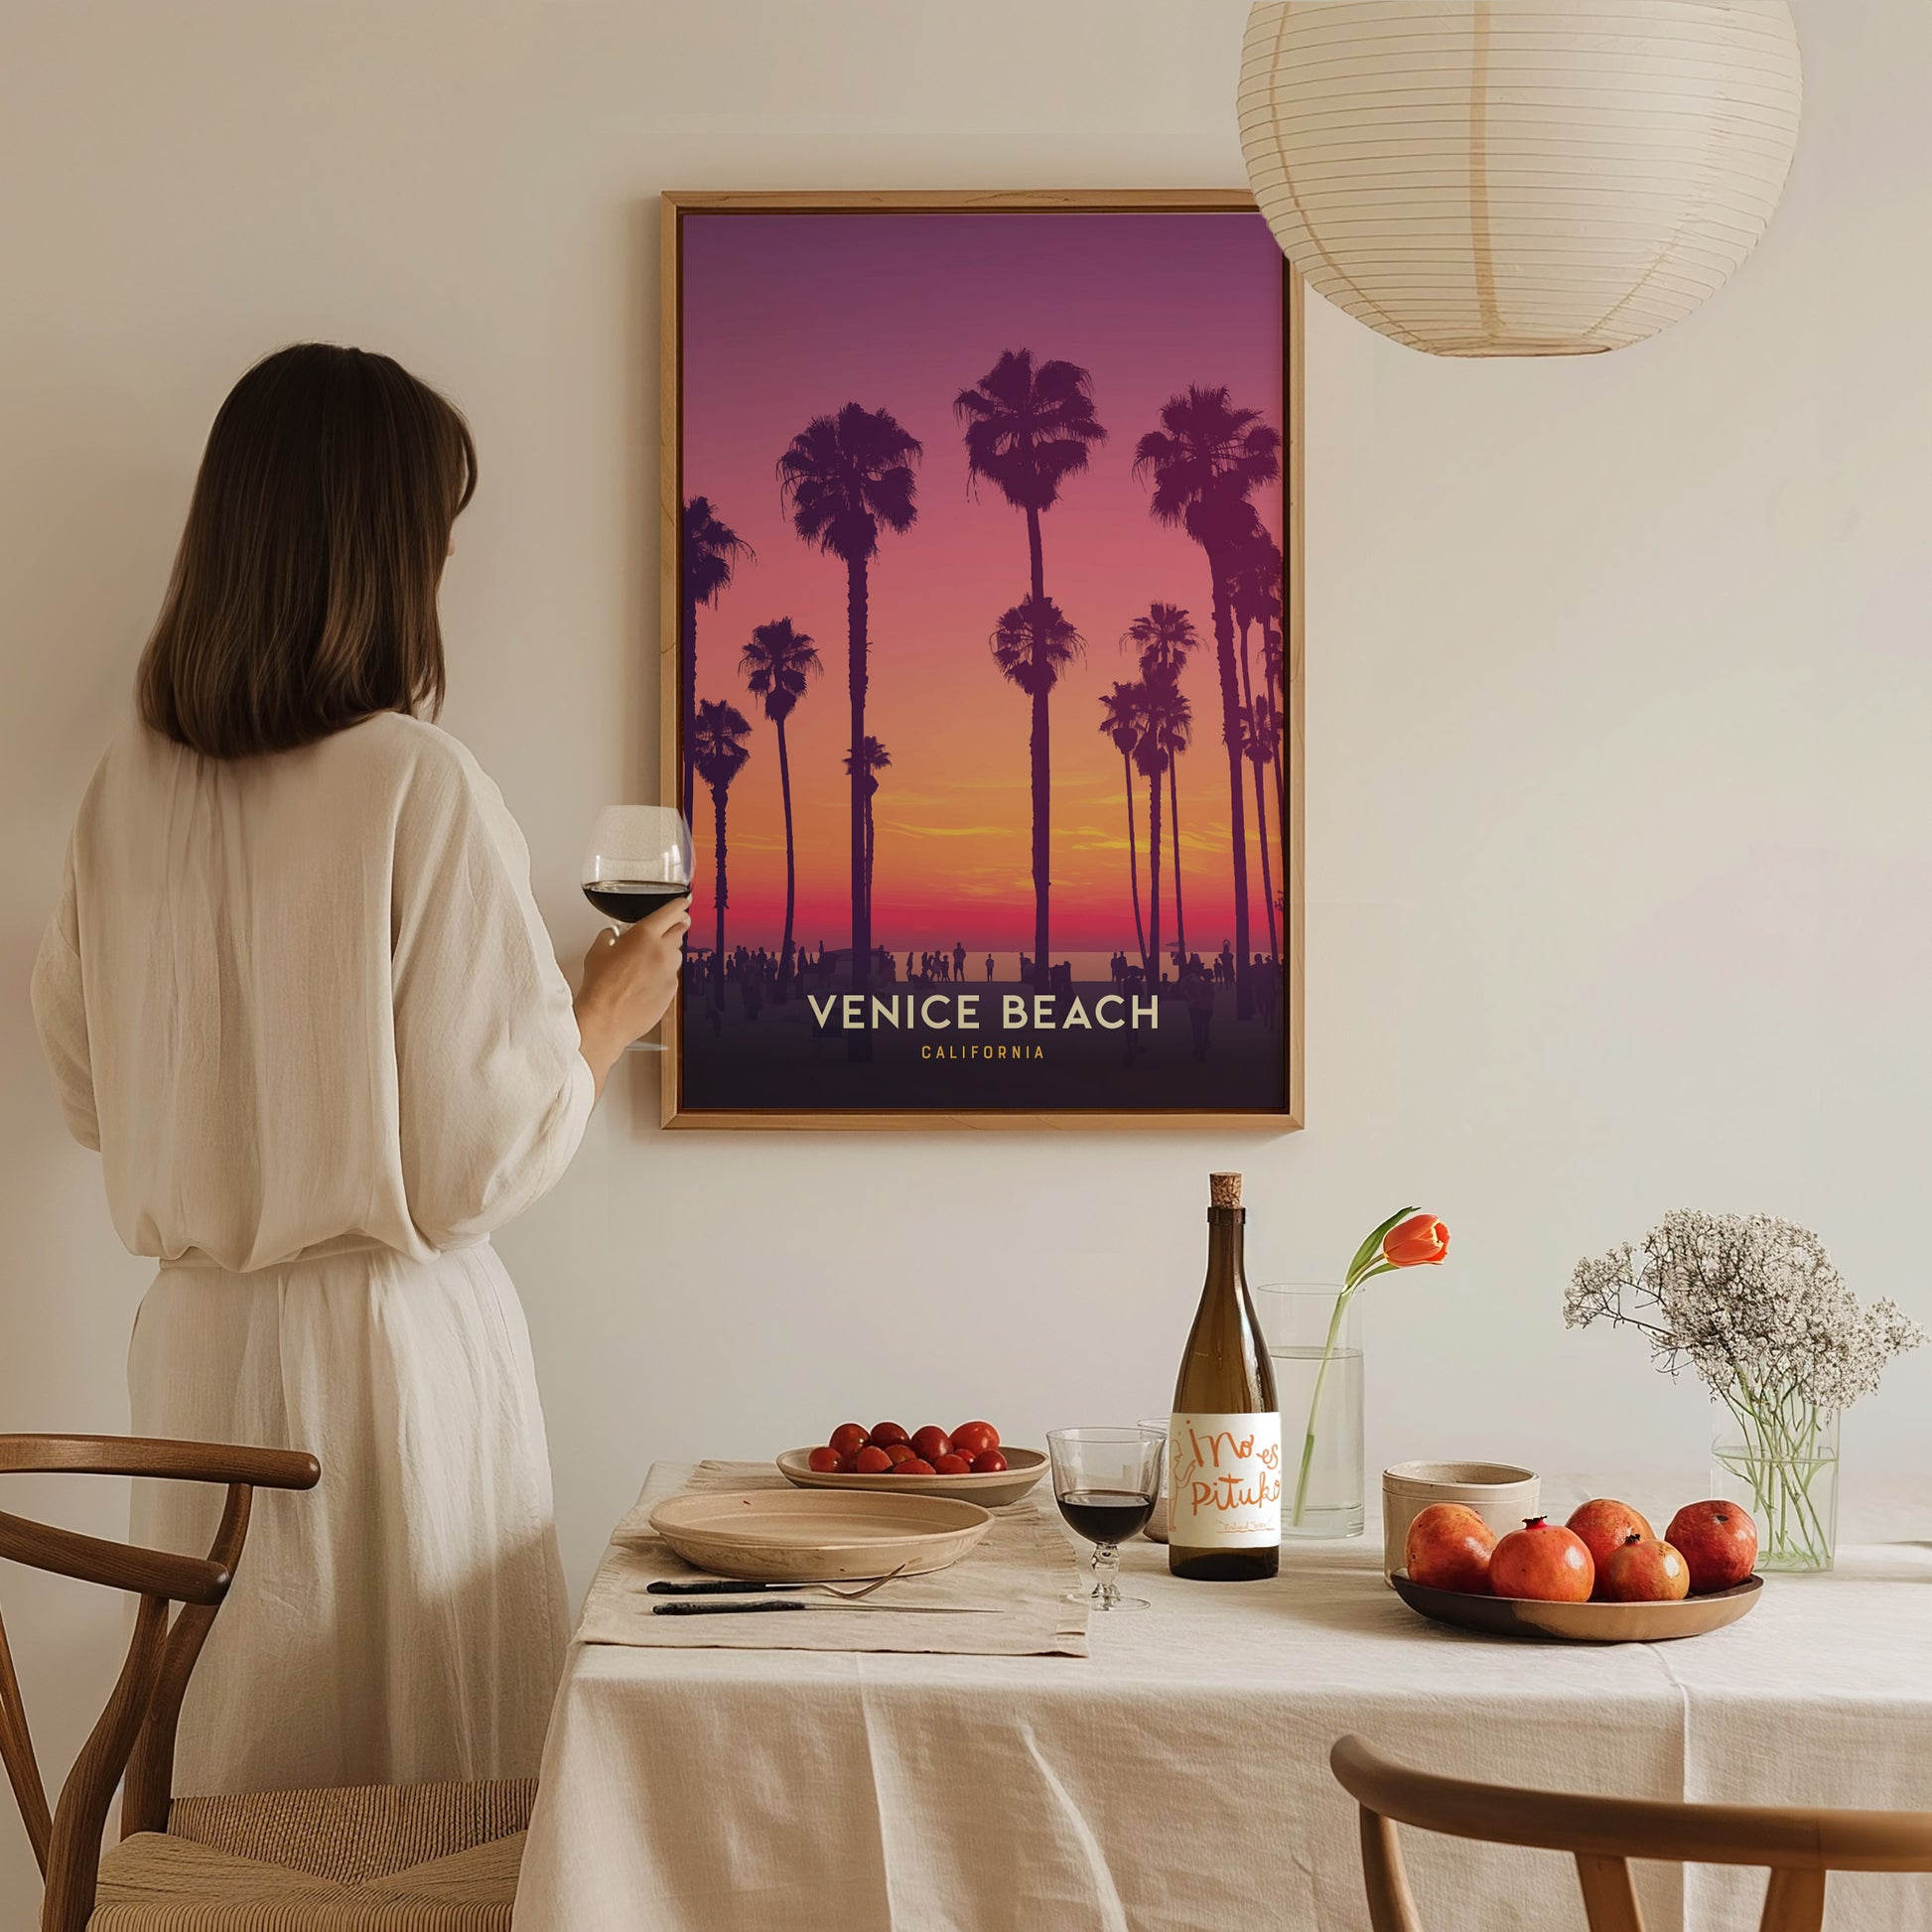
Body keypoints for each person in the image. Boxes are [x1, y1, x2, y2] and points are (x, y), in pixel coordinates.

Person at [29, 344, 688, 1796]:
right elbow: (473, 1163)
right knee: (422, 1799)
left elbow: (87, 1091)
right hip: (389, 1363)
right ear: (383, 553)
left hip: (194, 1354)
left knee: (239, 1784)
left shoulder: (121, 792)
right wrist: (603, 1014)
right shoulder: (415, 781)